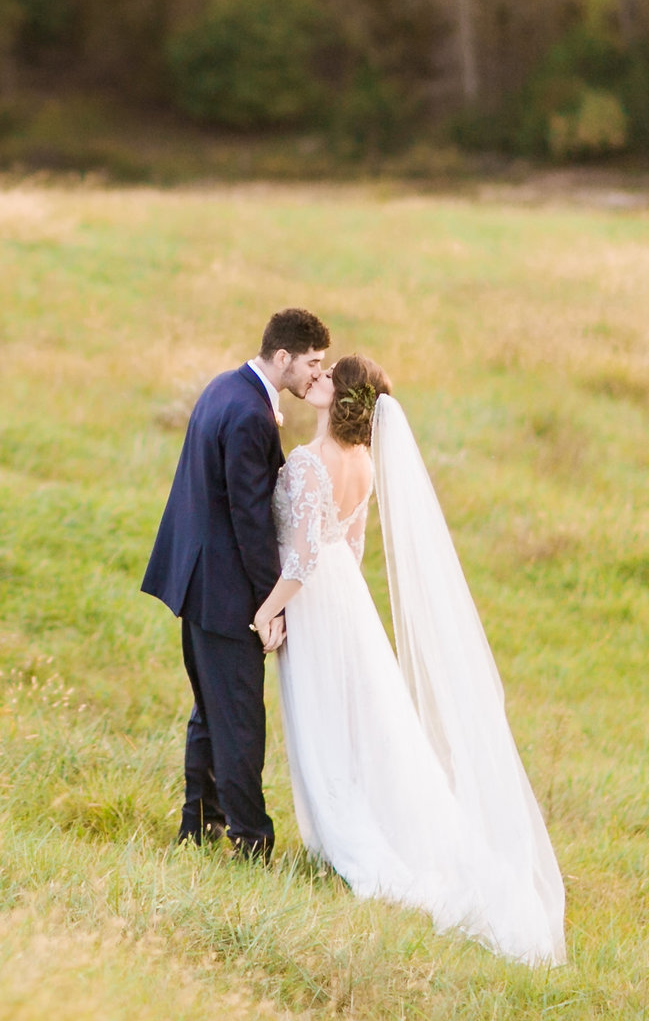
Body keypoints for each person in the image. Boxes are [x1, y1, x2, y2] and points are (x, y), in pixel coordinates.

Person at [252, 355, 568, 966]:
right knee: (361, 717)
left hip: (316, 599)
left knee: (326, 715)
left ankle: (342, 834)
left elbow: (303, 560)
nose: (316, 381)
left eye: (327, 378)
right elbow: (352, 545)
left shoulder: (312, 463)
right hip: (348, 599)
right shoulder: (364, 464)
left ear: (340, 398)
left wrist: (270, 610)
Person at [140, 308, 333, 857]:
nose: (316, 376)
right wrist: (268, 606)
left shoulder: (224, 386)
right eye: (310, 364)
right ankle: (252, 842)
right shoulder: (250, 414)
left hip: (195, 582)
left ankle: (197, 828)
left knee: (211, 712)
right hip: (225, 592)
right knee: (240, 721)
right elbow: (251, 523)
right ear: (281, 358)